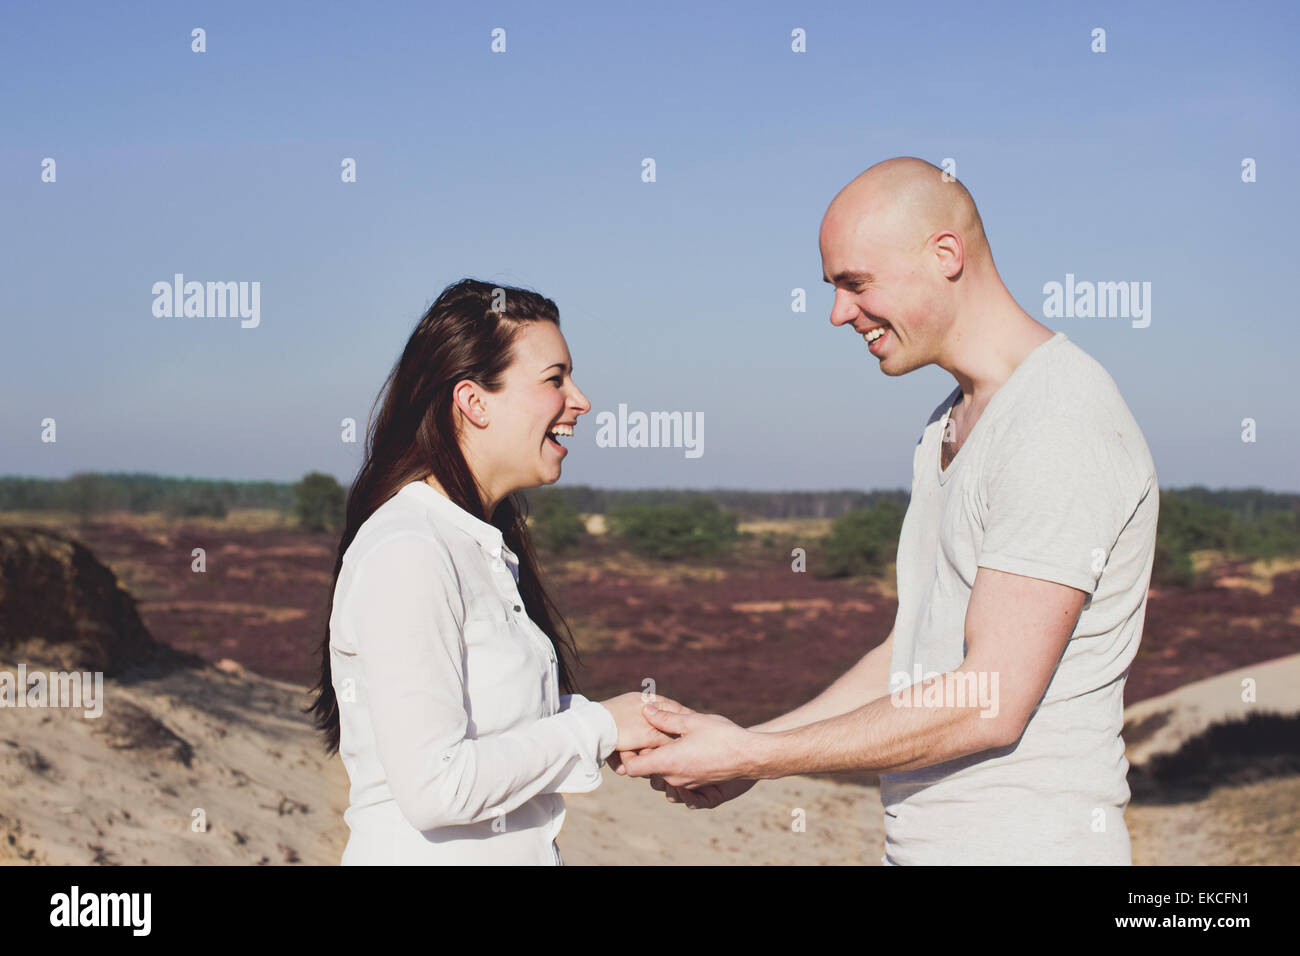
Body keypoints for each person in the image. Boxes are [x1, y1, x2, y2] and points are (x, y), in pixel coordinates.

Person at [619, 156, 1160, 866]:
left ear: (946, 255)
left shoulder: (1059, 421)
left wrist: (762, 753)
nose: (838, 312)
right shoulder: (947, 425)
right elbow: (912, 656)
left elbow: (987, 700)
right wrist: (749, 754)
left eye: (855, 283)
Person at [308, 278, 677, 865]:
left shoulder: (476, 543)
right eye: (555, 379)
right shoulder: (409, 549)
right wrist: (600, 729)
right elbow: (438, 788)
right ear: (474, 402)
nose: (580, 400)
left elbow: (503, 727)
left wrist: (640, 724)